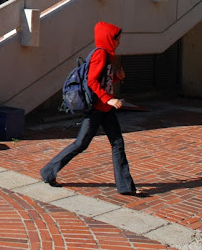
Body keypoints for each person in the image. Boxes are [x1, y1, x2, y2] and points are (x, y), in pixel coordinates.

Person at [40, 21, 148, 197]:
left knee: (117, 143)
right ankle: (48, 171)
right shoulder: (101, 55)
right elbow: (92, 82)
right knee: (81, 144)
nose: (119, 42)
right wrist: (109, 100)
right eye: (117, 39)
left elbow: (102, 83)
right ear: (109, 39)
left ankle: (126, 187)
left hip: (106, 109)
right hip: (97, 109)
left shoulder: (107, 56)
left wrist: (116, 79)